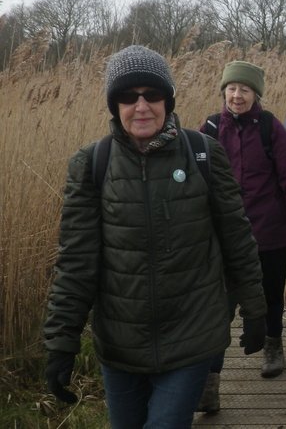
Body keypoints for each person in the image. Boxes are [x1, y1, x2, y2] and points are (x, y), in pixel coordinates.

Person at [43, 45, 266, 428]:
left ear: (169, 100)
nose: (141, 106)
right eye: (129, 97)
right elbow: (76, 261)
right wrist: (61, 340)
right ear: (115, 105)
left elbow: (236, 237)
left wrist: (255, 308)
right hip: (120, 343)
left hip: (191, 335)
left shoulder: (203, 154)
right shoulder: (91, 164)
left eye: (153, 95)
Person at [197, 60, 286, 409]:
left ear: (255, 94)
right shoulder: (211, 129)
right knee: (218, 310)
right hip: (223, 239)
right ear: (223, 91)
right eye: (231, 89)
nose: (237, 95)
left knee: (269, 295)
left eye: (244, 89)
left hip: (269, 233)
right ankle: (210, 385)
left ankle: (273, 347)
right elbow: (195, 183)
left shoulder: (270, 129)